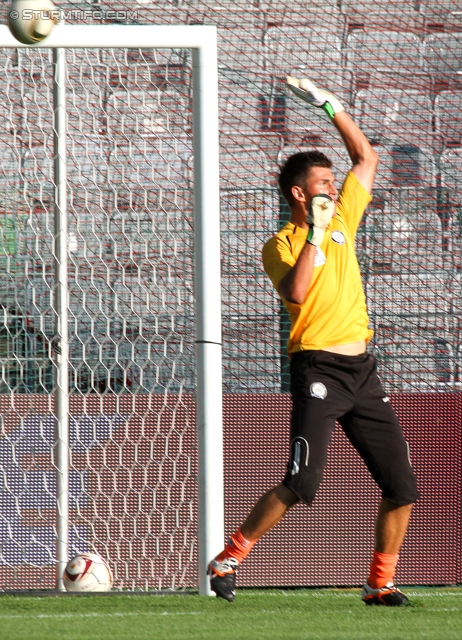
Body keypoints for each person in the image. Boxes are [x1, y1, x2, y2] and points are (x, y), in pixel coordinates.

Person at [208, 76, 420, 606]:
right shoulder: (279, 243)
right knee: (303, 482)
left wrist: (331, 106)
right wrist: (317, 236)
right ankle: (229, 557)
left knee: (403, 487)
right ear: (300, 194)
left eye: (333, 181)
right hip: (318, 369)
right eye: (323, 183)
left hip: (362, 371)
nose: (333, 187)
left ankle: (379, 582)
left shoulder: (347, 214)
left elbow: (366, 157)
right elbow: (298, 294)